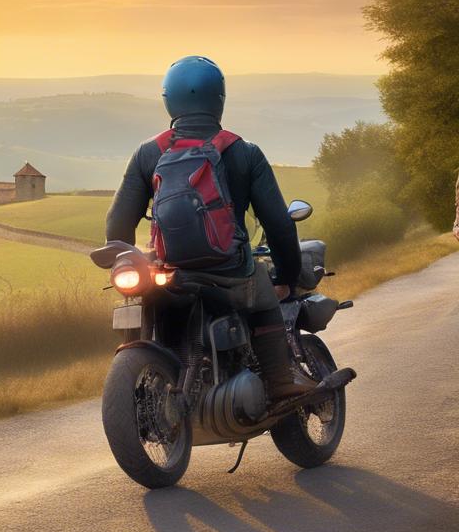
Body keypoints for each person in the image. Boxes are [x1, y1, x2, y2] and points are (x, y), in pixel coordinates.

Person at [106, 55, 314, 402]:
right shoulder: (244, 152)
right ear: (219, 98)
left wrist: (131, 264)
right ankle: (280, 381)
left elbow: (116, 226)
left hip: (169, 273)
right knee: (264, 291)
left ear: (168, 100)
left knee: (142, 305)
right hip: (230, 272)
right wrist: (286, 279)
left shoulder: (147, 153)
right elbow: (279, 225)